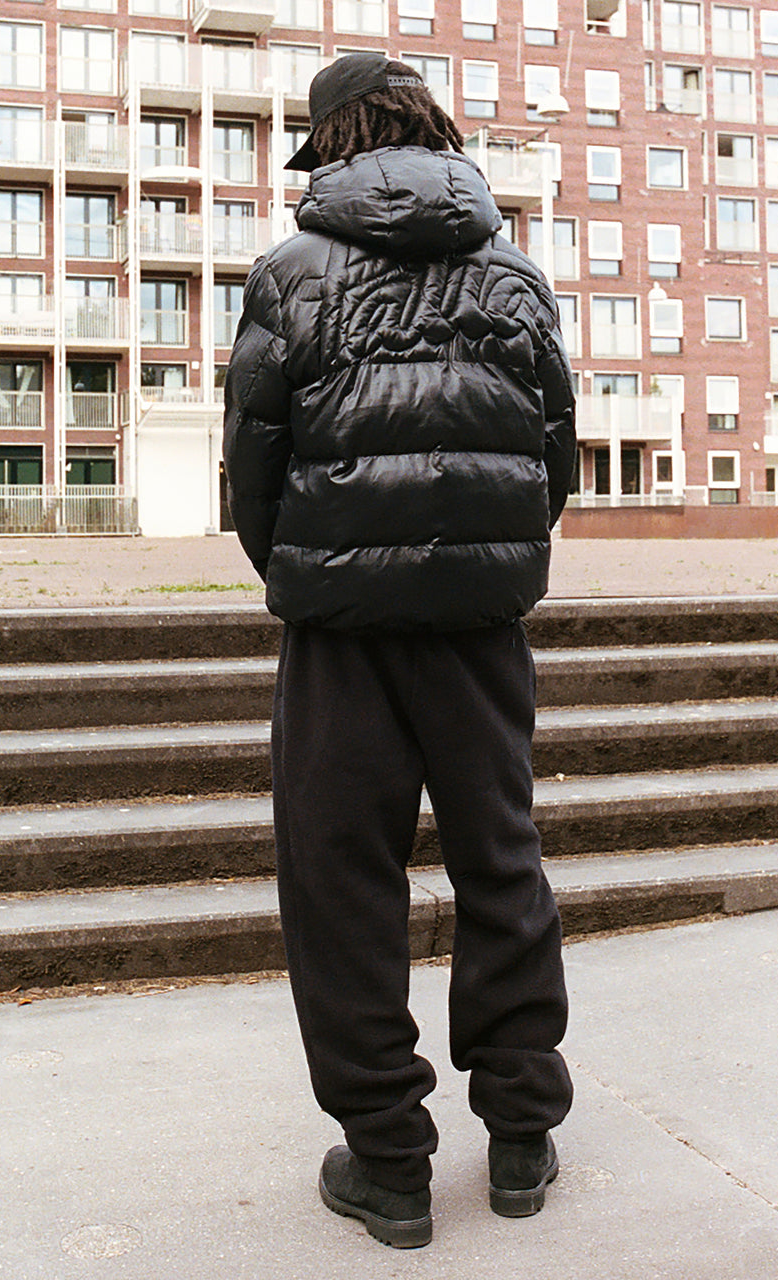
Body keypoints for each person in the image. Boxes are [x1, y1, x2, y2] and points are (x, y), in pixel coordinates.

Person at [224, 51, 577, 1249]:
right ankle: (520, 1131)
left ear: (330, 141)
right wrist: (483, 556)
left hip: (341, 628)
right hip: (479, 624)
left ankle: (388, 1160)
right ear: (432, 129)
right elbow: (554, 453)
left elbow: (253, 465)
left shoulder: (291, 271)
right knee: (502, 857)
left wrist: (308, 571)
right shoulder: (515, 271)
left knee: (339, 881)